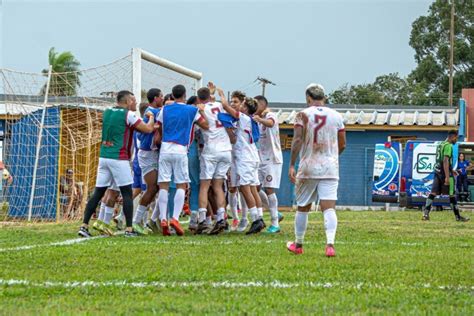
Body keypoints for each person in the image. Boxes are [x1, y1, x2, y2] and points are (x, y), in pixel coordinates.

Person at [78, 90, 156, 238]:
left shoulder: (107, 112)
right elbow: (148, 129)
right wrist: (151, 117)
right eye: (133, 100)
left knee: (98, 192)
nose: (135, 103)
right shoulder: (129, 115)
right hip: (119, 158)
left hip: (104, 156)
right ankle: (128, 229)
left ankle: (84, 226)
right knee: (127, 193)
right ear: (127, 102)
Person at [287, 83, 346, 257]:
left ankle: (298, 244)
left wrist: (291, 164)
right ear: (324, 98)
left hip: (308, 166)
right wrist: (333, 156)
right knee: (328, 208)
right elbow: (343, 143)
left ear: (308, 98)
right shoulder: (336, 116)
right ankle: (330, 245)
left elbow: (297, 140)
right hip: (330, 167)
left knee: (303, 207)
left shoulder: (303, 115)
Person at [154, 84, 209, 236]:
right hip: (180, 149)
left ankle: (163, 218)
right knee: (181, 185)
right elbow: (206, 125)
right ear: (185, 96)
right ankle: (175, 218)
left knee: (164, 185)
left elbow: (158, 125)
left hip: (165, 149)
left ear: (172, 95)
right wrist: (201, 113)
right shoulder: (192, 110)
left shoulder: (165, 109)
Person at [222, 94, 265, 235]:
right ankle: (260, 217)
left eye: (241, 104)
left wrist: (222, 96)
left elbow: (227, 109)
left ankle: (255, 220)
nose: (238, 106)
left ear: (245, 108)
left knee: (245, 188)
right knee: (252, 189)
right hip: (252, 155)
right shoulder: (252, 119)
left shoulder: (244, 118)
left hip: (245, 157)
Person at [195, 84, 232, 235]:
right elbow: (223, 105)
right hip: (226, 149)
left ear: (198, 98)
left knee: (205, 186)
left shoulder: (199, 109)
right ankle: (221, 217)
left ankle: (203, 219)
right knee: (218, 186)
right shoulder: (219, 105)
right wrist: (219, 94)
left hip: (211, 149)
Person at [133, 88, 163, 235]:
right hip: (147, 154)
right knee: (151, 188)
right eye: (161, 96)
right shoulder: (153, 112)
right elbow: (143, 133)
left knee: (155, 188)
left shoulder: (153, 113)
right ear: (156, 98)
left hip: (153, 153)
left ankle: (147, 220)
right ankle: (136, 221)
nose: (163, 99)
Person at [423, 130, 470, 222]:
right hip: (445, 173)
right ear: (452, 137)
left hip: (438, 172)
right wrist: (448, 177)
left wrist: (452, 170)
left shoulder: (441, 144)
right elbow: (445, 160)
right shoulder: (448, 146)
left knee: (432, 193)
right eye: (456, 138)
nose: (456, 140)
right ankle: (458, 217)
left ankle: (425, 214)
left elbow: (440, 160)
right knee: (452, 195)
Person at [253, 95, 284, 233]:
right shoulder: (256, 119)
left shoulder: (270, 114)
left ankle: (275, 223)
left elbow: (271, 123)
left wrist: (260, 119)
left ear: (262, 105)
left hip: (272, 159)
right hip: (260, 158)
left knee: (270, 189)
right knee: (254, 187)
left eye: (255, 105)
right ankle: (275, 212)